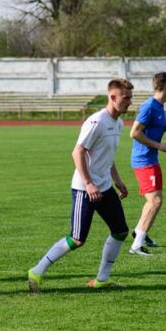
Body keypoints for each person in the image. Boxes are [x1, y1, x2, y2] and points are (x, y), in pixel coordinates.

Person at [27, 78, 134, 292]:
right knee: (77, 239)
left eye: (131, 98)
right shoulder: (96, 122)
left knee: (120, 231)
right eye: (126, 98)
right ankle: (36, 271)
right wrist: (89, 183)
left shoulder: (119, 123)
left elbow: (107, 156)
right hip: (85, 189)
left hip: (104, 187)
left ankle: (102, 279)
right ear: (112, 98)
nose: (130, 102)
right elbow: (77, 152)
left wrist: (117, 180)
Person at [129, 72, 166, 256]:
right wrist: (160, 145)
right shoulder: (149, 106)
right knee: (155, 201)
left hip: (150, 159)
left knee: (153, 200)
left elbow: (148, 128)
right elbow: (134, 132)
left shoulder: (159, 106)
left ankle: (140, 232)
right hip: (144, 160)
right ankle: (137, 245)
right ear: (165, 86)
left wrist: (164, 128)